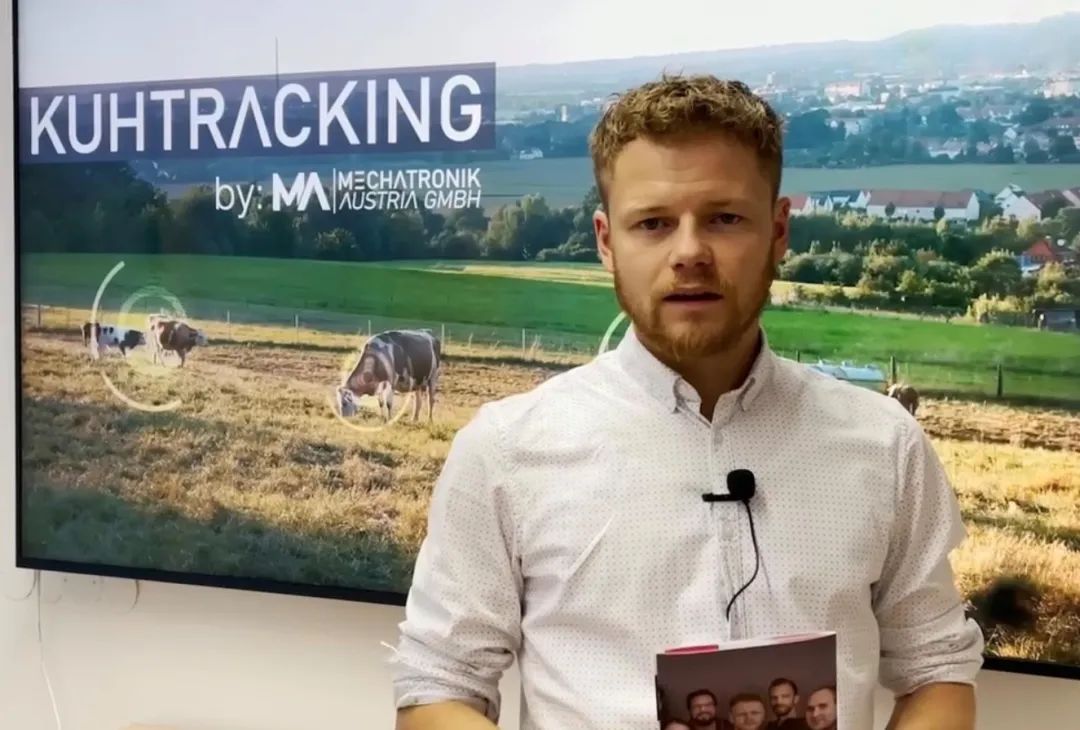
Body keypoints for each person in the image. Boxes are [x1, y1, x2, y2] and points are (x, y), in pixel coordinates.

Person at [391, 73, 984, 730]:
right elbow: (438, 685)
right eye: (653, 223)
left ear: (778, 231)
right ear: (606, 241)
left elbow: (937, 670)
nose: (690, 252)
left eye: (725, 218)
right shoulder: (505, 451)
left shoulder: (886, 445)